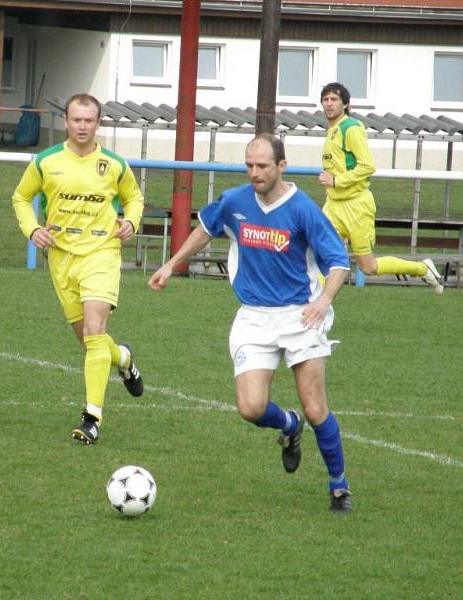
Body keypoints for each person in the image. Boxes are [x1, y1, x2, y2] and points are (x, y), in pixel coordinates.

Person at [150, 134, 353, 513]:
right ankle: (289, 427)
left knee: (315, 407)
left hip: (300, 316)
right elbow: (206, 228)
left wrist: (324, 300)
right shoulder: (235, 201)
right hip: (254, 318)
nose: (255, 173)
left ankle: (339, 485)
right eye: (249, 165)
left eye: (262, 166)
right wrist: (171, 263)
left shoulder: (304, 210)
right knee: (251, 408)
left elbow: (339, 262)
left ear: (281, 166)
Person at [11, 93, 145, 445]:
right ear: (66, 122)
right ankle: (125, 358)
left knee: (95, 327)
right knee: (90, 342)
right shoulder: (46, 161)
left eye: (89, 120)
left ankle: (92, 418)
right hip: (61, 258)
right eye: (76, 120)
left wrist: (131, 221)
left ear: (98, 123)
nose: (82, 126)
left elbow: (134, 197)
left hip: (101, 253)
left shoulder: (114, 164)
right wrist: (32, 229)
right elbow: (21, 197)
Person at [318, 82, 444, 294]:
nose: (329, 104)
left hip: (356, 206)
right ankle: (309, 307)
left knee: (368, 266)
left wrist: (337, 181)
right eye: (325, 99)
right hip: (333, 205)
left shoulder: (351, 127)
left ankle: (422, 268)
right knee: (318, 253)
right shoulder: (331, 131)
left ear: (345, 104)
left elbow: (368, 165)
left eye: (334, 99)